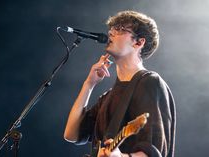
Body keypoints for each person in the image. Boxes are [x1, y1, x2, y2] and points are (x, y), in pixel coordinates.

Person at [64, 10, 176, 157]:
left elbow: (155, 152)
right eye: (111, 29)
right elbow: (71, 134)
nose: (111, 33)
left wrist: (122, 156)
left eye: (120, 29)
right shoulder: (108, 97)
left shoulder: (150, 82)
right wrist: (88, 85)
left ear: (139, 42)